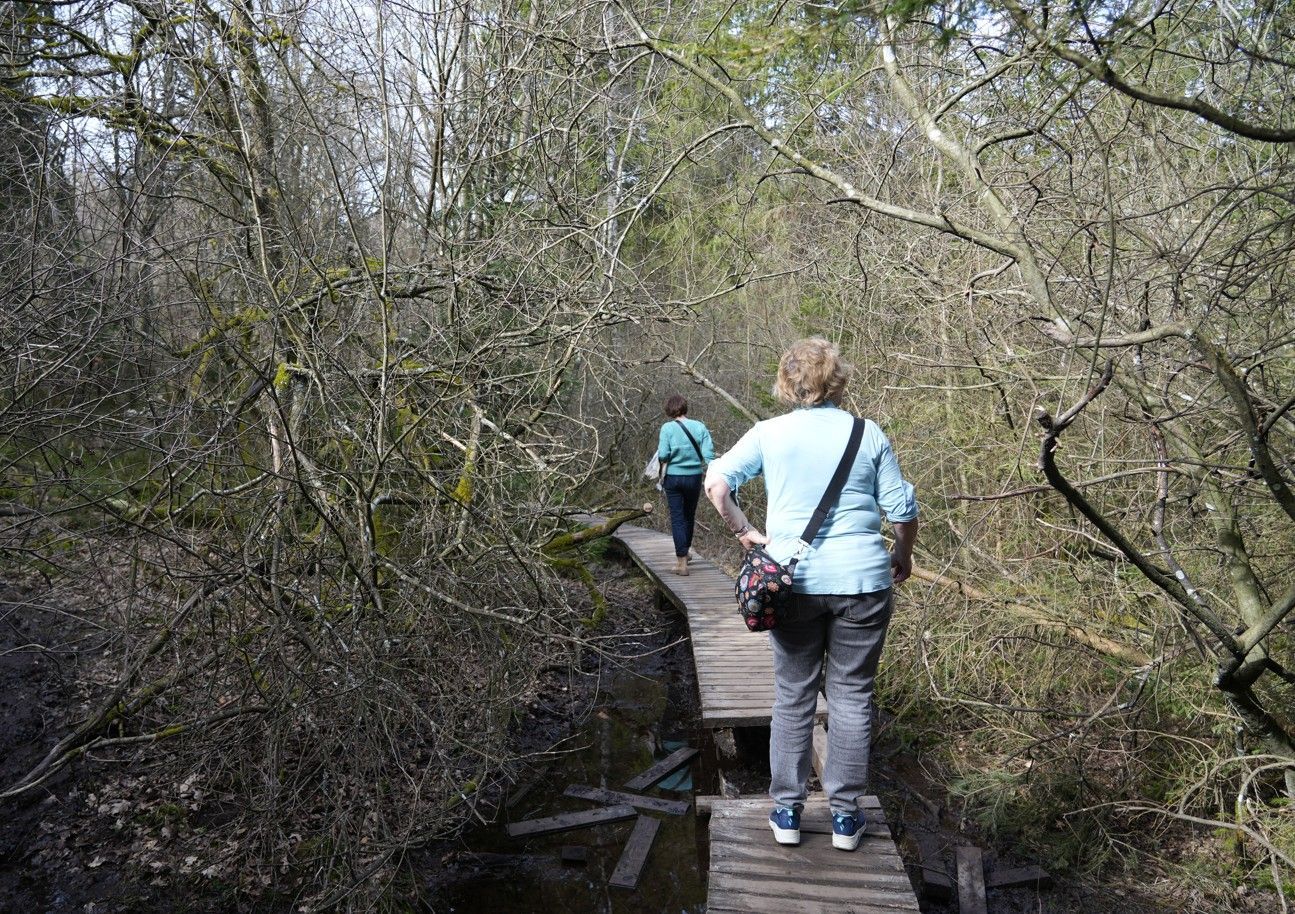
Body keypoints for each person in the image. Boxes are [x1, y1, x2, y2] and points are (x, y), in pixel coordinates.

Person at [704, 337, 919, 851]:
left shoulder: (769, 433)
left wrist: (744, 532)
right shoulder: (867, 434)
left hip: (791, 581)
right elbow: (903, 510)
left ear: (786, 381)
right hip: (863, 583)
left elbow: (716, 484)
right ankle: (846, 819)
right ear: (838, 378)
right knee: (851, 695)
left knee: (794, 694)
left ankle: (787, 812)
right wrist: (903, 555)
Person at [656, 394, 715, 576]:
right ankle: (686, 551)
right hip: (694, 477)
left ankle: (681, 562)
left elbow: (663, 455)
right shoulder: (699, 427)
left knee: (677, 518)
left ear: (670, 409)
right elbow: (709, 456)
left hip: (673, 478)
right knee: (689, 516)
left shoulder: (667, 428)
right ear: (685, 408)